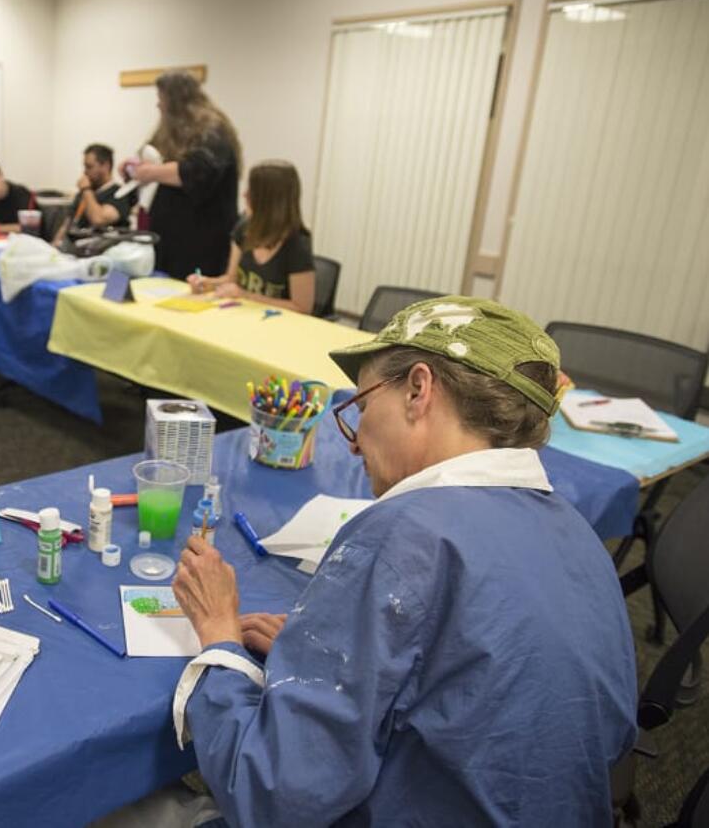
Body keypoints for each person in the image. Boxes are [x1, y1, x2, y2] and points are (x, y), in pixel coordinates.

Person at [167, 297, 637, 825]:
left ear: (419, 390)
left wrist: (218, 636)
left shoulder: (403, 538)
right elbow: (602, 729)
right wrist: (364, 675)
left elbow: (270, 795)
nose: (353, 445)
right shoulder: (579, 536)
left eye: (362, 409)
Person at [123, 71, 240, 280]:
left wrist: (151, 172)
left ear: (176, 101)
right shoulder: (171, 131)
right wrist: (135, 168)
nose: (158, 106)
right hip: (168, 238)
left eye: (161, 100)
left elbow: (197, 171)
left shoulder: (212, 131)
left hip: (199, 240)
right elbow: (157, 157)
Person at [187, 160, 315, 314]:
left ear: (269, 200)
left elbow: (301, 307)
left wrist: (246, 296)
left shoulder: (297, 246)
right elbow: (231, 279)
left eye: (252, 190)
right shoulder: (244, 229)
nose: (244, 194)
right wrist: (206, 283)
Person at [52, 143, 137, 245]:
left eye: (89, 167)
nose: (85, 172)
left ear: (105, 166)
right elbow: (67, 224)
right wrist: (54, 246)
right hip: (71, 248)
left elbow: (98, 219)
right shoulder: (84, 193)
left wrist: (86, 190)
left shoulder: (120, 194)